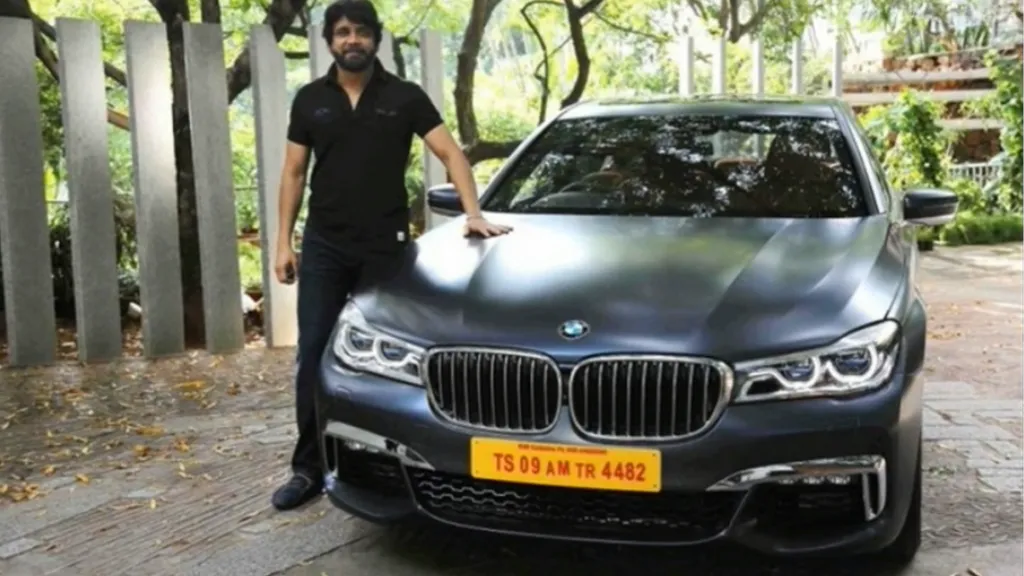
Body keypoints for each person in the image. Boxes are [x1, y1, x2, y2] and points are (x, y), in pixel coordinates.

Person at [270, 0, 512, 511]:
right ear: (329, 42)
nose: (351, 40)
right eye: (341, 33)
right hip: (325, 247)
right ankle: (307, 468)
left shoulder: (404, 97)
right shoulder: (310, 100)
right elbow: (293, 173)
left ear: (375, 39)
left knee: (391, 357)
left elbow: (450, 154)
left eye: (360, 31)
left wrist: (472, 213)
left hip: (386, 248)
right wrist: (282, 242)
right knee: (312, 354)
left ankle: (389, 462)